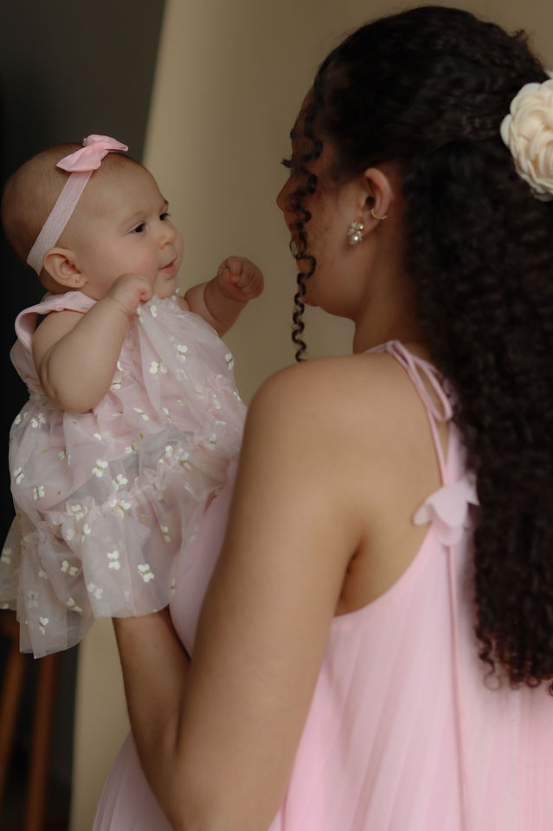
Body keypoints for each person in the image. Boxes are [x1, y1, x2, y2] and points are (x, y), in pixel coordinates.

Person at [94, 7, 553, 830]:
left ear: (369, 199)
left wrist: (108, 539)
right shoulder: (526, 430)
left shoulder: (324, 415)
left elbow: (216, 803)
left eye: (301, 170)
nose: (283, 199)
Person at [0, 135, 263, 658]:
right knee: (171, 609)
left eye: (164, 215)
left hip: (192, 471)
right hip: (128, 493)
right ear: (70, 269)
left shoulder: (157, 304)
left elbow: (198, 327)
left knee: (226, 569)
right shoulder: (64, 320)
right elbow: (74, 388)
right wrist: (116, 307)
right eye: (139, 227)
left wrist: (222, 296)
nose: (167, 236)